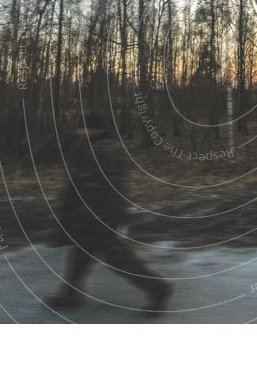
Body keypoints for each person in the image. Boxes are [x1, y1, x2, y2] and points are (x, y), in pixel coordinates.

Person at [46, 112, 173, 314]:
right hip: (89, 215)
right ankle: (70, 294)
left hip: (99, 216)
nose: (79, 132)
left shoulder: (104, 150)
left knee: (120, 260)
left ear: (92, 129)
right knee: (80, 256)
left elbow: (111, 187)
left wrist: (109, 218)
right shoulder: (94, 147)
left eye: (82, 128)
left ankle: (158, 289)